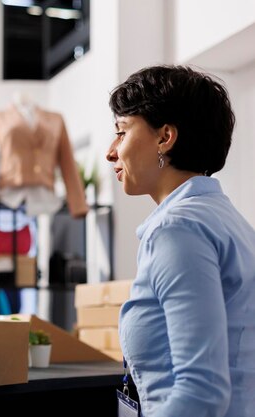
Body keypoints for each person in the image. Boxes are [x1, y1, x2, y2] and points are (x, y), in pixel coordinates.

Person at [105, 65, 255, 417]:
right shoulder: (227, 220)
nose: (111, 151)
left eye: (121, 132)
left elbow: (202, 392)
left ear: (164, 137)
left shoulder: (178, 229)